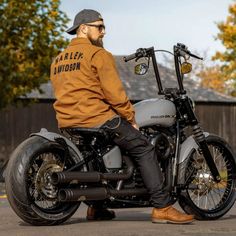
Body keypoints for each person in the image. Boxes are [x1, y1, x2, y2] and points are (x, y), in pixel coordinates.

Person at [50, 9, 194, 224]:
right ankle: (163, 206)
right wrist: (130, 117)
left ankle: (97, 208)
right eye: (99, 27)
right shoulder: (98, 55)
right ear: (83, 28)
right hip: (96, 117)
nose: (103, 32)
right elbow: (114, 93)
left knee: (98, 156)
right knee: (144, 147)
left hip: (68, 120)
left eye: (103, 27)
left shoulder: (58, 60)